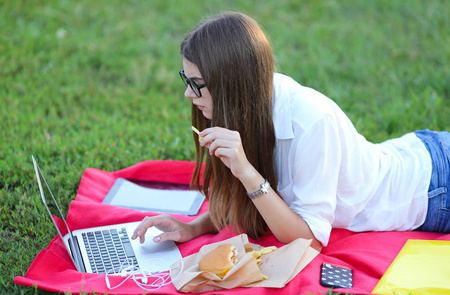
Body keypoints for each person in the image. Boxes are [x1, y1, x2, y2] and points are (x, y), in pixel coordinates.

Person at [131, 11, 450, 251]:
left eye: (196, 85)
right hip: (420, 154)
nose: (188, 94)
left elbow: (309, 241)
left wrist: (247, 173)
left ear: (231, 84)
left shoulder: (310, 122)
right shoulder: (247, 104)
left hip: (434, 190)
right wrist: (192, 228)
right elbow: (245, 201)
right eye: (186, 81)